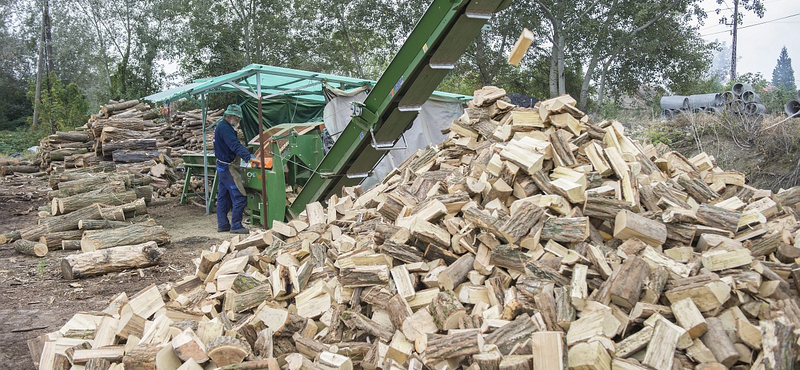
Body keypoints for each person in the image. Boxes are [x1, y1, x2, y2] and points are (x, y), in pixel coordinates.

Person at [213, 104, 256, 234]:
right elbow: (234, 145)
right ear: (230, 115)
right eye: (237, 118)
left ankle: (223, 224)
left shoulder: (222, 126)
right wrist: (249, 157)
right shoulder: (225, 129)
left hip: (221, 165)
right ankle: (236, 226)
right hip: (227, 166)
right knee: (240, 196)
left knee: (223, 196)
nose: (238, 121)